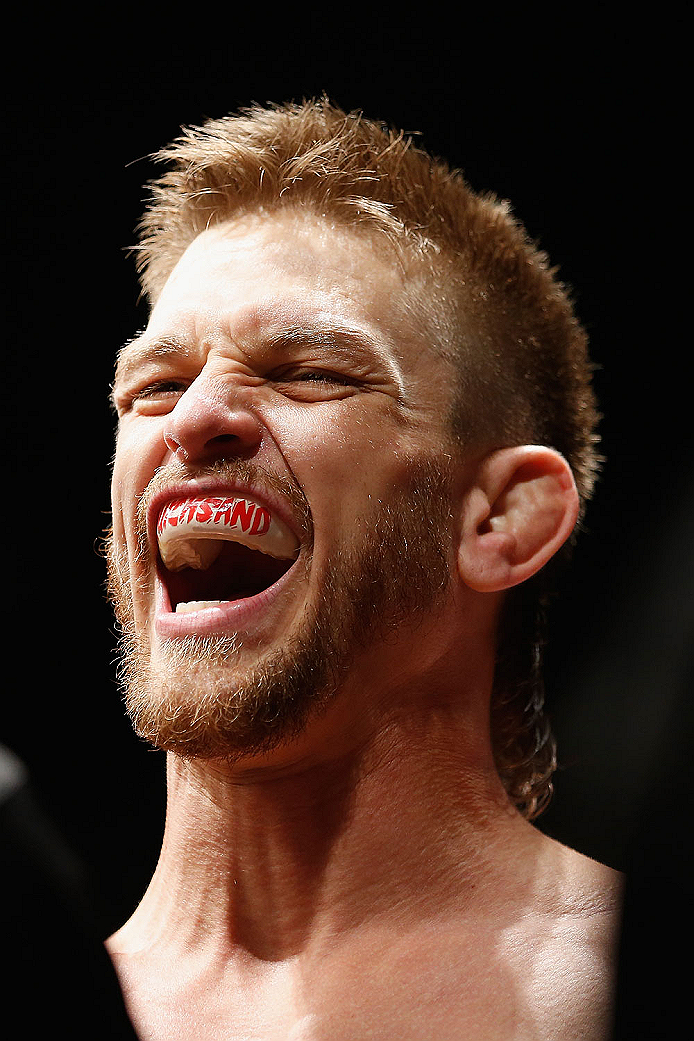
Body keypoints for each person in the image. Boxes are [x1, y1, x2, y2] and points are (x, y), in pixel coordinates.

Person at [104, 98, 622, 1040]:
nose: (192, 418)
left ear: (500, 518)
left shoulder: (638, 986)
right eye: (156, 386)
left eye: (310, 372)